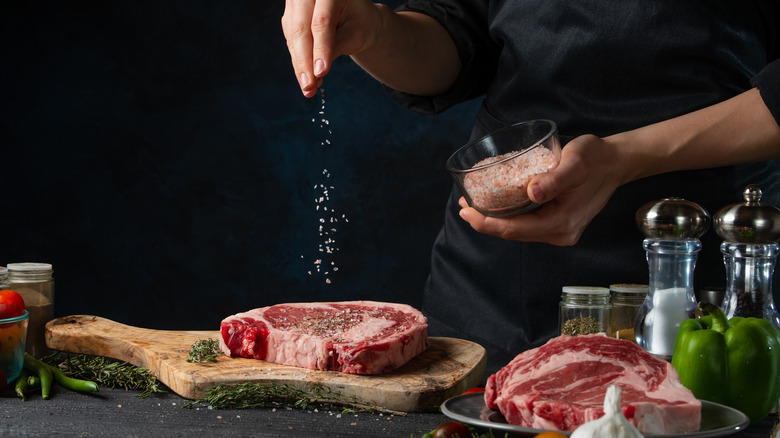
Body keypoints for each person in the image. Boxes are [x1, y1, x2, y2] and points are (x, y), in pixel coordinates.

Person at [282, 0, 780, 373]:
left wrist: (621, 159)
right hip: (498, 291)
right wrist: (375, 31)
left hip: (700, 280)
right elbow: (459, 31)